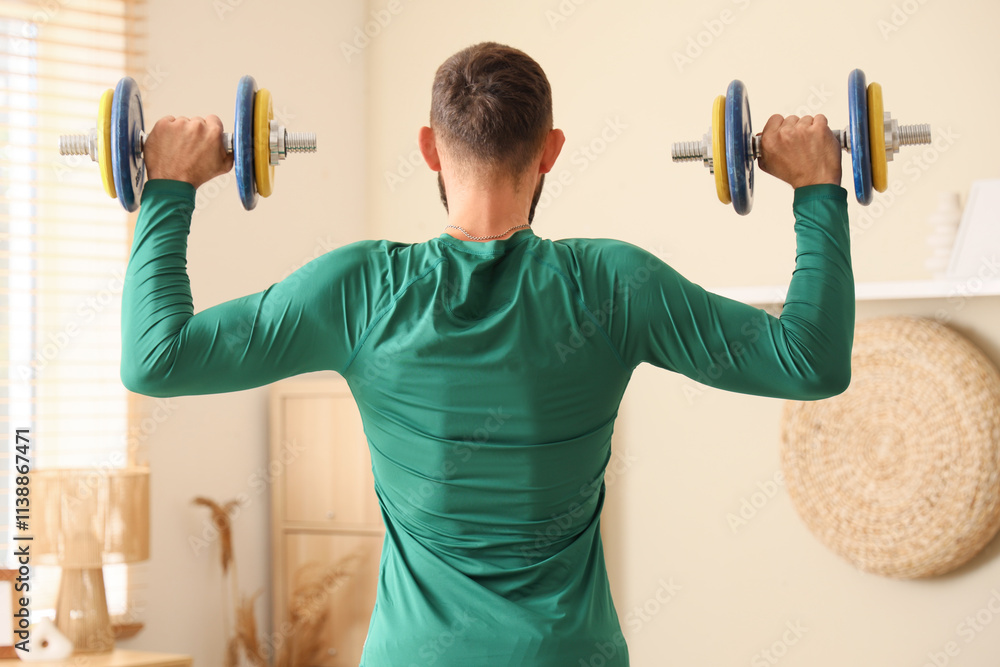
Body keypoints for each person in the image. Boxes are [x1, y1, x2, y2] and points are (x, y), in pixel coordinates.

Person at [122, 42, 853, 666]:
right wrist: (817, 189)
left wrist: (170, 190)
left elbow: (156, 359)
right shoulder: (612, 284)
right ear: (552, 150)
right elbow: (809, 360)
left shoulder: (361, 289)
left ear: (429, 147)